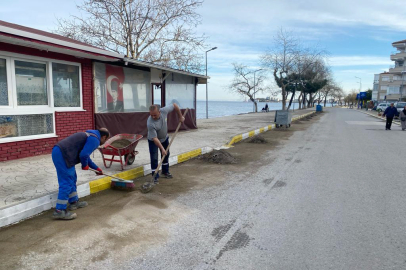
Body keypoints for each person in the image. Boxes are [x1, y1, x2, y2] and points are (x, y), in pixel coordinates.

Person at [52, 128, 110, 220]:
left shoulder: (90, 136)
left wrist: (97, 169)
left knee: (72, 179)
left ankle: (74, 202)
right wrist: (84, 165)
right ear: (103, 137)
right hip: (63, 154)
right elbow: (84, 155)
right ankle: (59, 210)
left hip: (61, 153)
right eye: (105, 140)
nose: (104, 142)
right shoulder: (95, 139)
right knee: (66, 182)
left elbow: (85, 156)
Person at [147, 103, 185, 183]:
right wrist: (162, 149)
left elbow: (175, 105)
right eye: (151, 115)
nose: (153, 117)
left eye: (155, 115)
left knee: (166, 154)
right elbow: (155, 138)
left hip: (164, 138)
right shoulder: (150, 123)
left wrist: (180, 116)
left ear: (159, 112)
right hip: (153, 141)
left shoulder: (164, 111)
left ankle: (165, 171)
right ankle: (155, 176)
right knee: (154, 158)